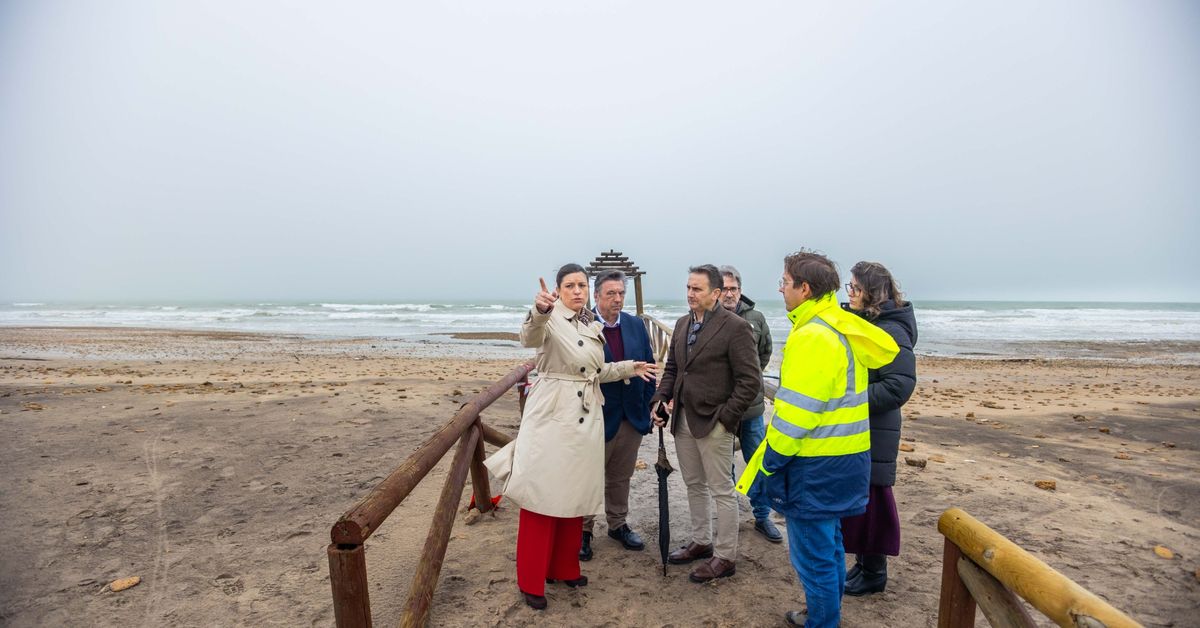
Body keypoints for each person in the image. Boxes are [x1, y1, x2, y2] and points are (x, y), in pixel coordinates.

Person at [736, 251, 898, 627]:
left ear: (804, 288)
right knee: (831, 545)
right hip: (846, 458)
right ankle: (824, 614)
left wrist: (772, 460)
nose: (780, 288)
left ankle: (822, 621)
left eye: (785, 281)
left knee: (813, 554)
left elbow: (797, 416)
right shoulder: (838, 326)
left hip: (816, 463)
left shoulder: (813, 335)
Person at [485, 264, 657, 611]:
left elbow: (593, 372)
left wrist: (629, 368)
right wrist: (539, 310)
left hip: (584, 418)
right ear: (559, 290)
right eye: (570, 285)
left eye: (581, 284)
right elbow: (528, 338)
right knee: (542, 499)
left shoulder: (586, 322)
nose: (576, 291)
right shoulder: (550, 319)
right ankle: (531, 579)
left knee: (572, 497)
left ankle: (564, 567)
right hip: (554, 419)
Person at [650, 264, 761, 584]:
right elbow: (673, 369)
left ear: (715, 293)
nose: (689, 294)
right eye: (687, 288)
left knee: (722, 490)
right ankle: (701, 541)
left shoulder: (736, 327)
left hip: (715, 421)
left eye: (697, 289)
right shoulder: (683, 323)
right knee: (693, 484)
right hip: (683, 417)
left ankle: (725, 556)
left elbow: (749, 381)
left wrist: (726, 419)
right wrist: (660, 399)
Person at [840, 261, 917, 596]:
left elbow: (899, 387)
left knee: (874, 503)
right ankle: (864, 566)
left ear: (871, 292)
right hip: (865, 427)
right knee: (863, 502)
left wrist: (850, 398)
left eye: (855, 288)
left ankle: (874, 573)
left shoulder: (891, 330)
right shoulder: (872, 322)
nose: (851, 294)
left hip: (876, 430)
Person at [580, 269, 657, 561]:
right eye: (610, 293)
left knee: (620, 475)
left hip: (632, 414)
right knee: (590, 476)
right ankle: (584, 530)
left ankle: (617, 524)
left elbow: (648, 365)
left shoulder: (637, 324)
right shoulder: (582, 325)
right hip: (597, 414)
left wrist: (650, 403)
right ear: (596, 295)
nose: (617, 299)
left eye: (621, 293)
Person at [718, 265, 780, 543]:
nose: (729, 294)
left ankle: (762, 517)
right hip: (720, 407)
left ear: (740, 291)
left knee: (759, 462)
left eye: (734, 289)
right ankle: (728, 516)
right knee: (723, 464)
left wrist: (750, 379)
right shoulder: (708, 319)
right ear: (716, 292)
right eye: (725, 289)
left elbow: (764, 352)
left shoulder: (755, 318)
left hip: (752, 408)